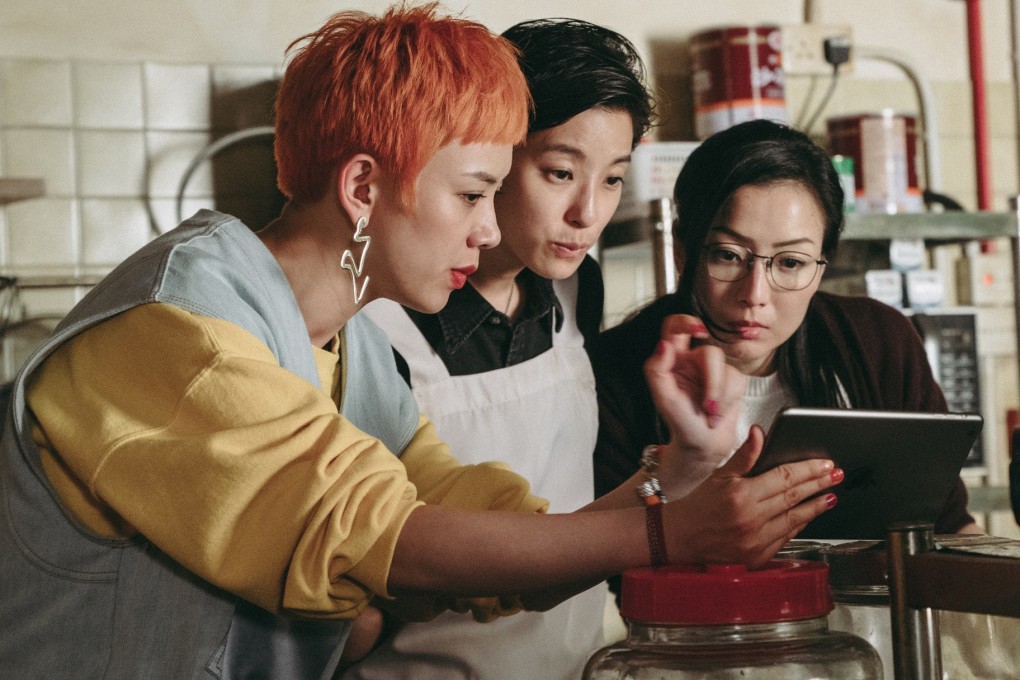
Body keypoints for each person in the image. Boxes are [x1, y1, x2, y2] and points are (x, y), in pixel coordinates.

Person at [0, 8, 842, 680]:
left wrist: (677, 477)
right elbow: (391, 537)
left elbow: (492, 535)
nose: (488, 228)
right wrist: (668, 535)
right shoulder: (184, 332)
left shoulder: (343, 352)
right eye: (476, 193)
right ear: (364, 187)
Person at [350, 18, 653, 680]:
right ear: (490, 154)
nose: (587, 213)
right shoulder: (376, 326)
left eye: (612, 180)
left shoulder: (578, 291)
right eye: (560, 172)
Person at [592, 118, 979, 542]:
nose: (755, 294)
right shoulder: (617, 368)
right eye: (728, 255)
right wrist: (676, 470)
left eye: (791, 262)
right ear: (683, 254)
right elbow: (599, 561)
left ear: (822, 267)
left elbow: (948, 525)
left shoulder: (880, 342)